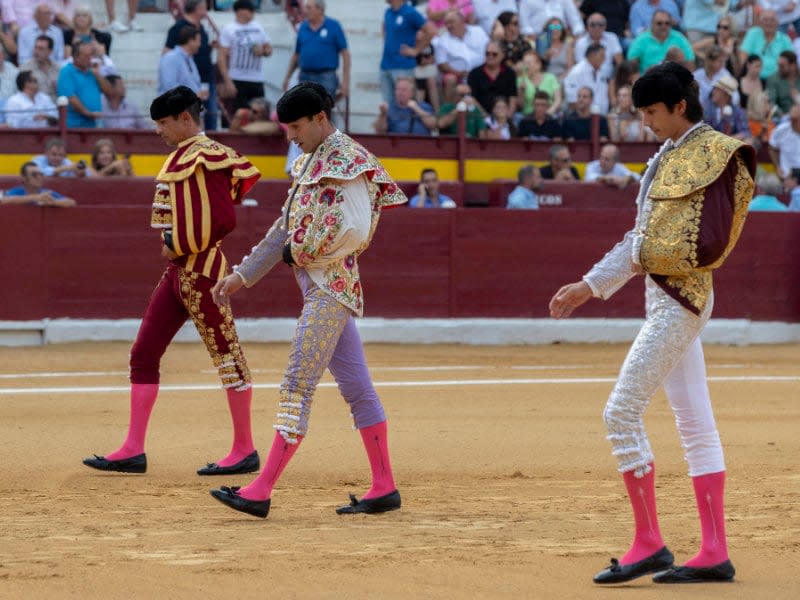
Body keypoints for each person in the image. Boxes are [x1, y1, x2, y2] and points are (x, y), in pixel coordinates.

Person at [549, 61, 756, 586]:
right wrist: (590, 284)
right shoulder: (669, 154)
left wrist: (629, 261)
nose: (645, 122)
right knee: (694, 423)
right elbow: (638, 239)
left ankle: (650, 543)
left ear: (679, 107)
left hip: (680, 301)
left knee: (621, 413)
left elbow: (708, 246)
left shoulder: (717, 154)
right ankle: (714, 551)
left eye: (651, 112)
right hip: (664, 298)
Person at [208, 81, 407, 519]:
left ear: (320, 118)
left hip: (330, 291)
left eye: (296, 126)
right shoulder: (311, 160)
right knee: (358, 390)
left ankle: (260, 490)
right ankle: (384, 486)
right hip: (321, 287)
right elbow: (283, 229)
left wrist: (298, 253)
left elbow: (355, 231)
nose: (290, 136)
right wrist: (242, 275)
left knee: (297, 383)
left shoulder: (348, 160)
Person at [83, 86, 261, 477]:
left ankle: (245, 448)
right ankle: (132, 449)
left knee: (228, 359)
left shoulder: (204, 156)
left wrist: (174, 242)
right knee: (143, 354)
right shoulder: (187, 156)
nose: (159, 130)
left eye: (164, 122)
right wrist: (175, 247)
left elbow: (221, 219)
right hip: (179, 274)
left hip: (204, 274)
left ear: (185, 118)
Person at [164, 0, 217, 131]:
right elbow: (167, 54)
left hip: (202, 79)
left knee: (209, 115)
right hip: (186, 86)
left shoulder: (201, 28)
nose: (207, 10)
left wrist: (210, 47)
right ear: (197, 8)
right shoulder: (178, 28)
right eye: (204, 7)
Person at [283, 0, 350, 101]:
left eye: (309, 8)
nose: (306, 11)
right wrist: (287, 77)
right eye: (306, 8)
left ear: (320, 10)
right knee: (304, 110)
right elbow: (296, 55)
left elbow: (345, 54)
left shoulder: (333, 26)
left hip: (326, 76)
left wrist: (345, 82)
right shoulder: (303, 27)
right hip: (305, 75)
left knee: (324, 109)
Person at [217, 0, 272, 115]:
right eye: (250, 11)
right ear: (240, 12)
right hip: (237, 78)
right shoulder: (229, 29)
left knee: (260, 114)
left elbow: (269, 49)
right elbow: (221, 57)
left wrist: (263, 51)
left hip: (256, 79)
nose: (252, 14)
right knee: (239, 114)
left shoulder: (258, 28)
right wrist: (227, 81)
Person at [380, 0, 436, 104]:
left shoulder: (410, 12)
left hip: (403, 66)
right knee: (388, 105)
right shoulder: (388, 12)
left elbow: (431, 31)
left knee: (404, 104)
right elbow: (384, 28)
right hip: (385, 65)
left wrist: (416, 51)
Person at [56, 39, 113, 128]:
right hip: (73, 126)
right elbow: (71, 98)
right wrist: (88, 113)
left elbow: (110, 93)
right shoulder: (67, 72)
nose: (90, 59)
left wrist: (97, 74)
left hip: (93, 125)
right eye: (87, 56)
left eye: (91, 55)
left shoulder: (92, 72)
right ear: (75, 57)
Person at [628, 10, 695, 75]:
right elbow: (631, 63)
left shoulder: (679, 38)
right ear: (652, 24)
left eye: (667, 23)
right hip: (648, 80)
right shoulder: (641, 40)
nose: (664, 26)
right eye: (659, 23)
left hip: (675, 80)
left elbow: (690, 62)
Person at [467, 40, 517, 114]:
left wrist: (508, 117)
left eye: (494, 54)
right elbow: (472, 99)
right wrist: (487, 119)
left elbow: (512, 97)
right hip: (480, 117)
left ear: (503, 55)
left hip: (504, 116)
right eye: (487, 53)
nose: (490, 56)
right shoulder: (475, 73)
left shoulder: (509, 73)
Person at [740, 10, 792, 80]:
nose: (769, 23)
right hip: (754, 77)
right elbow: (743, 56)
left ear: (778, 23)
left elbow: (791, 62)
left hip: (777, 79)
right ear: (760, 22)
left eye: (772, 20)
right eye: (765, 20)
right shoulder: (753, 33)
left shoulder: (784, 39)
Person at [0, 161, 76, 207]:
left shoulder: (46, 194)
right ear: (24, 178)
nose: (39, 177)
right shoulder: (17, 191)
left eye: (41, 174)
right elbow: (2, 200)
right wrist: (35, 198)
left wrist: (54, 202)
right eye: (34, 174)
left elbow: (72, 202)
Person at [159, 25, 205, 97]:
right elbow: (169, 86)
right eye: (198, 41)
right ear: (190, 41)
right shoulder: (171, 58)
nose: (199, 45)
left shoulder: (189, 59)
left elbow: (194, 82)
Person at [573, 13, 622, 81]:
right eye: (593, 24)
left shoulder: (612, 38)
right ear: (587, 26)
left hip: (609, 79)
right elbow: (580, 65)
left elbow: (619, 62)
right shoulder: (580, 42)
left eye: (600, 24)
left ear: (605, 26)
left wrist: (615, 79)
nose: (597, 27)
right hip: (587, 79)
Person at [703, 75, 752, 142]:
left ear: (726, 94)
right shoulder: (706, 108)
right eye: (714, 89)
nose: (713, 92)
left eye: (717, 89)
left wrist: (727, 140)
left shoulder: (737, 112)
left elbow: (746, 133)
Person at [564, 43, 609, 115]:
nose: (604, 59)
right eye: (602, 56)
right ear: (592, 55)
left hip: (601, 118)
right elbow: (572, 101)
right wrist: (587, 115)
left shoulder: (600, 72)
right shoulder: (576, 72)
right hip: (582, 119)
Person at [516, 50, 561, 116]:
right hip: (529, 116)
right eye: (524, 63)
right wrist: (521, 92)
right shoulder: (520, 80)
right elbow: (520, 106)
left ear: (538, 65)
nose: (526, 66)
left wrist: (549, 112)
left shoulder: (551, 78)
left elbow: (558, 99)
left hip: (549, 114)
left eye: (529, 63)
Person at [768, 104, 800, 179]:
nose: (792, 122)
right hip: (788, 178)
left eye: (795, 120)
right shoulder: (780, 130)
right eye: (791, 119)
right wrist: (778, 166)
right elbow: (772, 148)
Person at [765, 50, 800, 117]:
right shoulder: (773, 79)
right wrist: (785, 116)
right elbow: (771, 103)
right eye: (778, 65)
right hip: (782, 118)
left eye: (782, 66)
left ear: (793, 66)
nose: (779, 68)